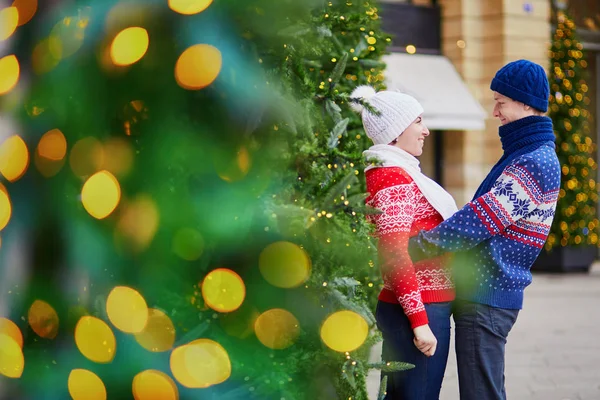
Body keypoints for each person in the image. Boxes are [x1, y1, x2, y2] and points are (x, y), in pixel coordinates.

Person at [408, 59, 561, 400]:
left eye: (500, 102)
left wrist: (418, 245)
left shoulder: (534, 160)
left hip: (487, 295)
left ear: (525, 103)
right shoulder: (525, 153)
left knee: (482, 394)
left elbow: (481, 219)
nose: (495, 112)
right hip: (485, 292)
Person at [350, 85, 459, 399]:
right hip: (418, 307)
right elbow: (394, 253)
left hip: (417, 305)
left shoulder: (398, 171)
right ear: (396, 132)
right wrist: (420, 321)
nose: (425, 131)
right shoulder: (394, 176)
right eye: (418, 121)